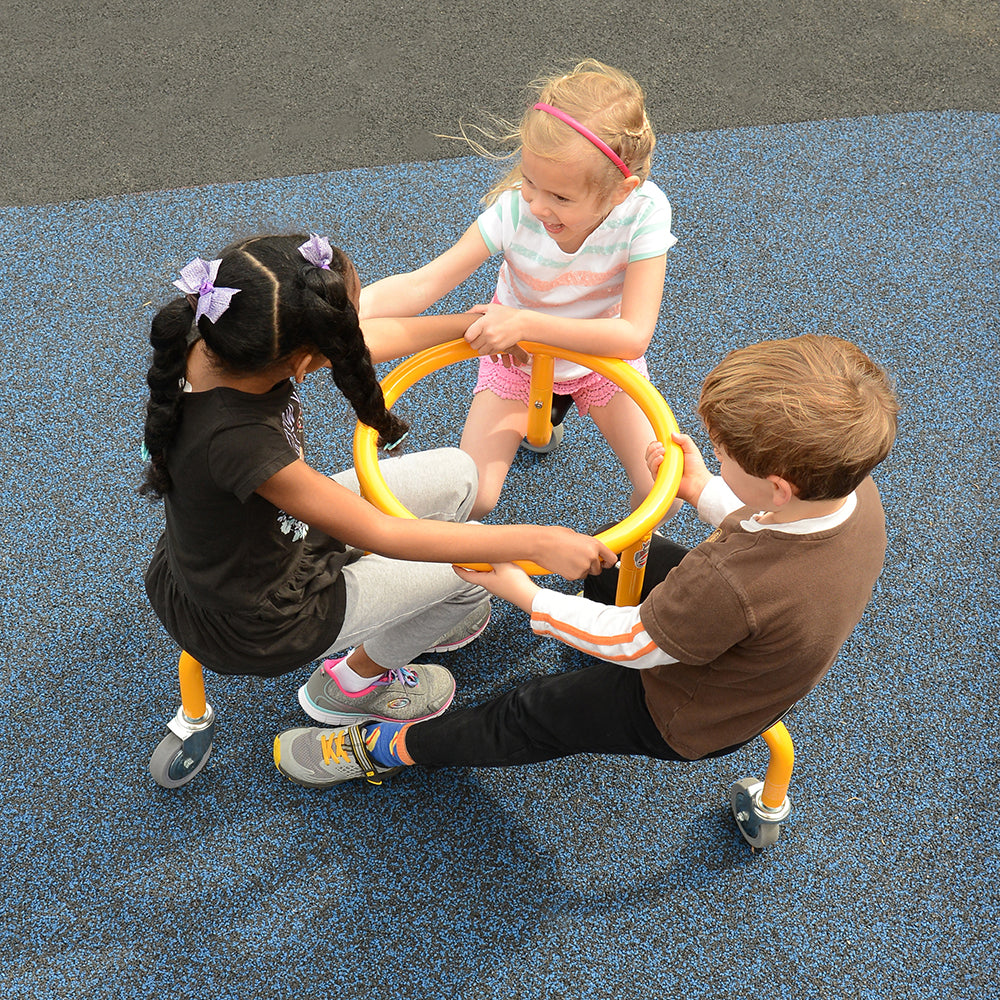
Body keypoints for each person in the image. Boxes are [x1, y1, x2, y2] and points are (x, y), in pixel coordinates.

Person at [272, 334, 899, 788]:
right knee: (608, 554)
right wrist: (703, 486)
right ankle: (538, 619)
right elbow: (760, 521)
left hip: (683, 706)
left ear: (779, 483)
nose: (710, 453)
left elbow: (636, 644)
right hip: (742, 635)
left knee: (528, 714)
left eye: (723, 453)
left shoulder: (729, 583)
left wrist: (523, 592)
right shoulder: (850, 492)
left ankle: (384, 747)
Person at [141, 233, 615, 729]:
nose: (354, 335)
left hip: (255, 545)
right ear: (303, 363)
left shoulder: (223, 336)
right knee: (477, 573)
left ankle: (419, 606)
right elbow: (382, 533)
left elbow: (363, 343)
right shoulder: (239, 442)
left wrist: (468, 325)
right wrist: (539, 542)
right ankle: (350, 685)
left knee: (458, 476)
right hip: (264, 620)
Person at [359, 59, 678, 520]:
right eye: (530, 180)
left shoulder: (644, 214)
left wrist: (522, 321)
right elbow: (423, 282)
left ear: (619, 191)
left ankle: (625, 573)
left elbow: (633, 335)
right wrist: (345, 310)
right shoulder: (514, 212)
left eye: (561, 198)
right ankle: (539, 419)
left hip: (602, 359)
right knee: (476, 497)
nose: (538, 204)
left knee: (660, 493)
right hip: (517, 361)